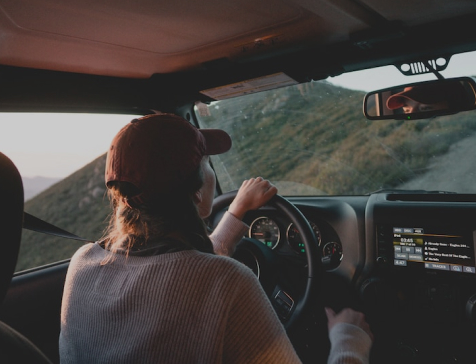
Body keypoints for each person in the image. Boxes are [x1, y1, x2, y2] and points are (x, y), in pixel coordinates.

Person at [59, 113, 373, 364]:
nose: (211, 172)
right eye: (207, 163)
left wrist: (236, 213)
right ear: (197, 192)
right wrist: (348, 340)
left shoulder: (82, 263)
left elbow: (185, 271)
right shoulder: (227, 280)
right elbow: (201, 277)